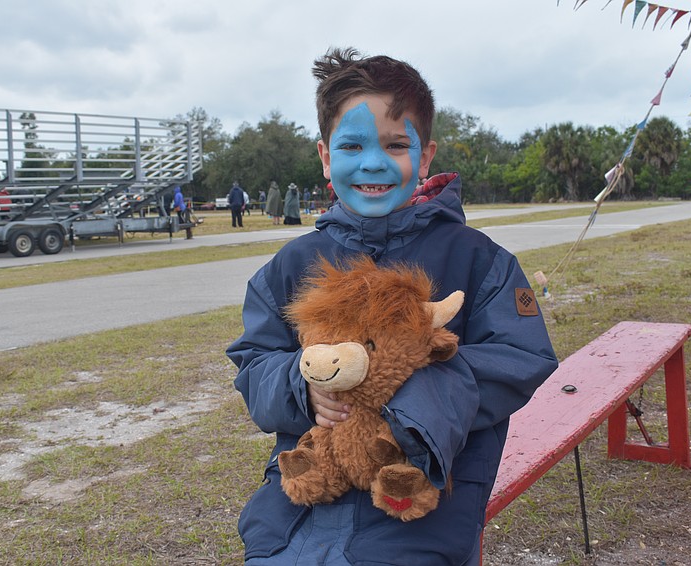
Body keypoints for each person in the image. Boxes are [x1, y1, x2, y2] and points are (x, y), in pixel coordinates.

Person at [226, 47, 558, 565]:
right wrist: (301, 386)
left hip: (423, 507)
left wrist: (397, 393)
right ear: (325, 156)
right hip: (300, 503)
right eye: (353, 145)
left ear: (424, 156)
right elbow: (254, 362)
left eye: (396, 144)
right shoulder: (291, 265)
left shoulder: (479, 261)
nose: (374, 162)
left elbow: (522, 359)